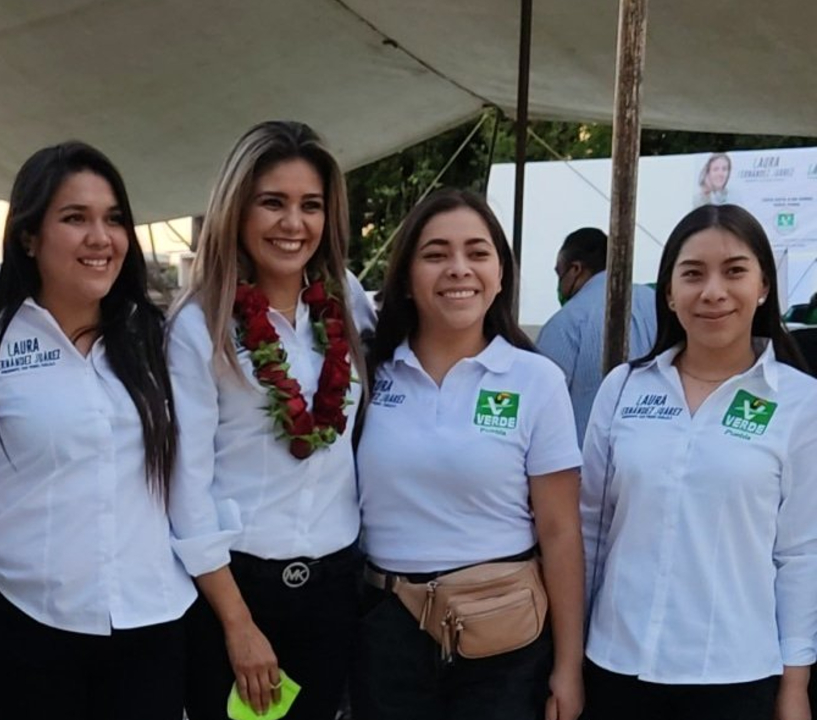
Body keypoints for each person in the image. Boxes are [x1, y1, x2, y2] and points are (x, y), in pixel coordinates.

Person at [0, 141, 194, 720]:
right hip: (28, 620)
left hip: (153, 620)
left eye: (114, 219)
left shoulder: (158, 339)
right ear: (27, 236)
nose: (102, 237)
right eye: (75, 218)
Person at [351, 189, 584, 720]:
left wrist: (568, 668)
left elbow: (561, 532)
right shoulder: (367, 374)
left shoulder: (537, 380)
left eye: (477, 253)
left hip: (506, 643)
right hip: (386, 636)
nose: (459, 269)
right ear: (407, 275)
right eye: (435, 254)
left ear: (501, 273)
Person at [580, 204, 817, 720]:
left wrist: (796, 686)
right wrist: (568, 657)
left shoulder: (802, 403)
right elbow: (589, 529)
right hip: (616, 665)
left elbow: (800, 555)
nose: (713, 291)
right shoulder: (622, 389)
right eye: (692, 274)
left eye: (735, 271)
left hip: (735, 675)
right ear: (668, 291)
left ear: (763, 286)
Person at [168, 120, 370, 720]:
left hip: (334, 588)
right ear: (237, 209)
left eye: (310, 206)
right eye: (273, 203)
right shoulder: (198, 327)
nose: (294, 224)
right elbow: (187, 487)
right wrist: (238, 626)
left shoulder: (348, 303)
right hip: (239, 594)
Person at [537, 227, 658, 444]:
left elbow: (538, 406)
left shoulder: (566, 323)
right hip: (654, 458)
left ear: (575, 269)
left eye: (559, 273)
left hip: (588, 466)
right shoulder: (656, 304)